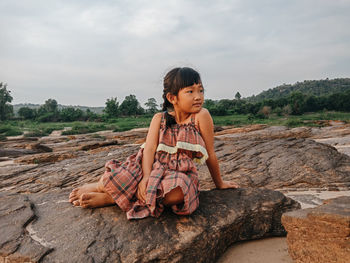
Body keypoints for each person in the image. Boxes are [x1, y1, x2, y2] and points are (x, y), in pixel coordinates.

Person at [69, 67, 238, 219]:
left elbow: (210, 153)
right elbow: (149, 149)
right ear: (172, 98)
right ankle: (100, 187)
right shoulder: (159, 118)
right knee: (122, 177)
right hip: (149, 166)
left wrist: (220, 183)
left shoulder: (201, 116)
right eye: (190, 91)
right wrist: (146, 177)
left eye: (201, 90)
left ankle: (113, 198)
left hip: (178, 172)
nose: (198, 97)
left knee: (179, 193)